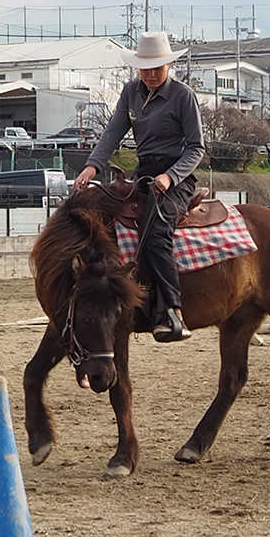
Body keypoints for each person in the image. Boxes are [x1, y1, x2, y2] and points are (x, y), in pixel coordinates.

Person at [74, 31, 205, 342]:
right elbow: (112, 132)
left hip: (178, 177)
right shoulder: (131, 92)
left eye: (156, 68)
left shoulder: (183, 96)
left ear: (168, 65)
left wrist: (170, 177)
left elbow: (197, 148)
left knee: (156, 228)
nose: (150, 74)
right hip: (145, 172)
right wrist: (92, 166)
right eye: (144, 68)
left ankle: (172, 309)